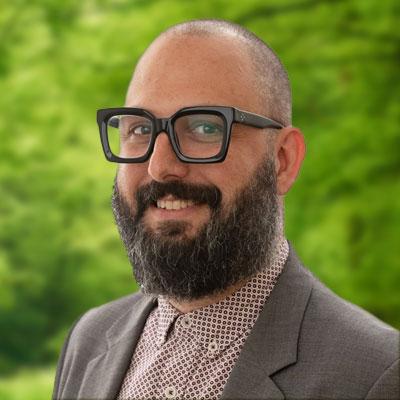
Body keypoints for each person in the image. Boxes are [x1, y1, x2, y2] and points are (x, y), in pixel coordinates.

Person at [52, 19, 399, 400]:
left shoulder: (376, 374)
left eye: (204, 128)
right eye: (140, 130)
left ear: (282, 160)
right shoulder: (89, 339)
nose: (160, 166)